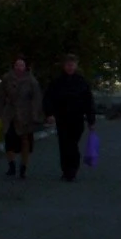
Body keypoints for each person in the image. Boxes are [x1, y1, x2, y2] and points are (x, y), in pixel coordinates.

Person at [43, 54, 96, 182]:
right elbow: (48, 98)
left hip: (77, 118)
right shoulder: (57, 82)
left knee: (72, 144)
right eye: (68, 64)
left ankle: (73, 168)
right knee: (64, 144)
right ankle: (66, 170)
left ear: (76, 66)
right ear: (64, 66)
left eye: (72, 65)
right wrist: (49, 114)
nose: (70, 67)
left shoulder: (81, 82)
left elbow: (88, 102)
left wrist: (91, 120)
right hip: (62, 118)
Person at [0, 55, 43, 180]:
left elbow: (36, 98)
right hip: (10, 113)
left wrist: (35, 114)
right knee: (9, 139)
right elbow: (1, 96)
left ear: (25, 67)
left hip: (25, 114)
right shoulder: (7, 78)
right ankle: (11, 165)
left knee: (25, 141)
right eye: (17, 65)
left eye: (21, 65)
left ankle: (23, 167)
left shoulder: (31, 81)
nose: (19, 67)